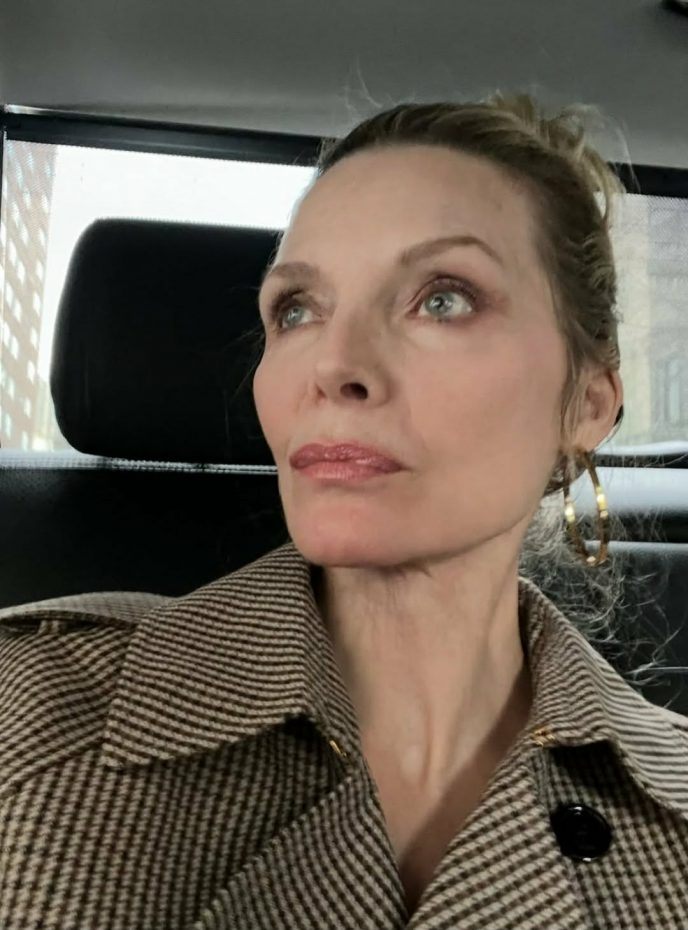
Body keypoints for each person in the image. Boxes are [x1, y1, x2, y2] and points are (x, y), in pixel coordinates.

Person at [1, 93, 687, 930]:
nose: (333, 364)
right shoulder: (26, 712)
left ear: (586, 404)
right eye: (296, 310)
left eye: (443, 298)